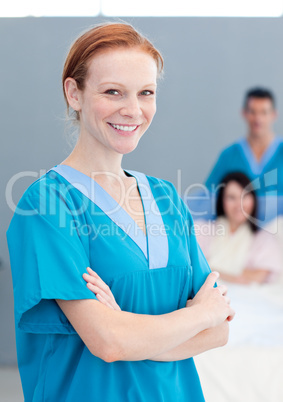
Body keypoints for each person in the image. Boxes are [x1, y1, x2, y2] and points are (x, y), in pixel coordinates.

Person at [6, 22, 234, 402]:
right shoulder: (47, 204)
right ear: (73, 93)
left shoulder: (166, 197)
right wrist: (198, 315)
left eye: (146, 93)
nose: (133, 110)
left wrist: (132, 332)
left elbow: (220, 330)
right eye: (113, 92)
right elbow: (109, 343)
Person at [187, 87, 283, 223]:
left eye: (264, 112)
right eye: (252, 112)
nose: (258, 119)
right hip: (237, 238)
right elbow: (206, 201)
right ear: (244, 113)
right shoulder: (229, 156)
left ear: (274, 115)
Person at [196, 172, 282, 284]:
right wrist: (238, 275)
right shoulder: (202, 230)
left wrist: (213, 269)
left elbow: (259, 278)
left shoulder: (264, 239)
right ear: (222, 201)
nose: (239, 204)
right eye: (232, 197)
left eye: (245, 196)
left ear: (253, 200)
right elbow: (193, 265)